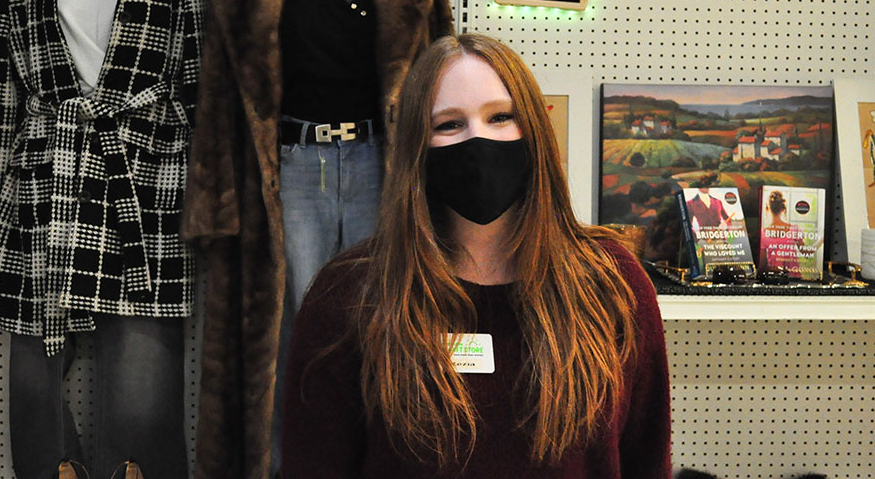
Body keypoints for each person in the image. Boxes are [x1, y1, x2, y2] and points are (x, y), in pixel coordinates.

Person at [280, 34, 671, 478]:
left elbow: (647, 458)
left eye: (500, 117)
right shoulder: (351, 294)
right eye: (448, 124)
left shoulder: (611, 283)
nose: (478, 139)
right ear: (416, 146)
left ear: (535, 128)